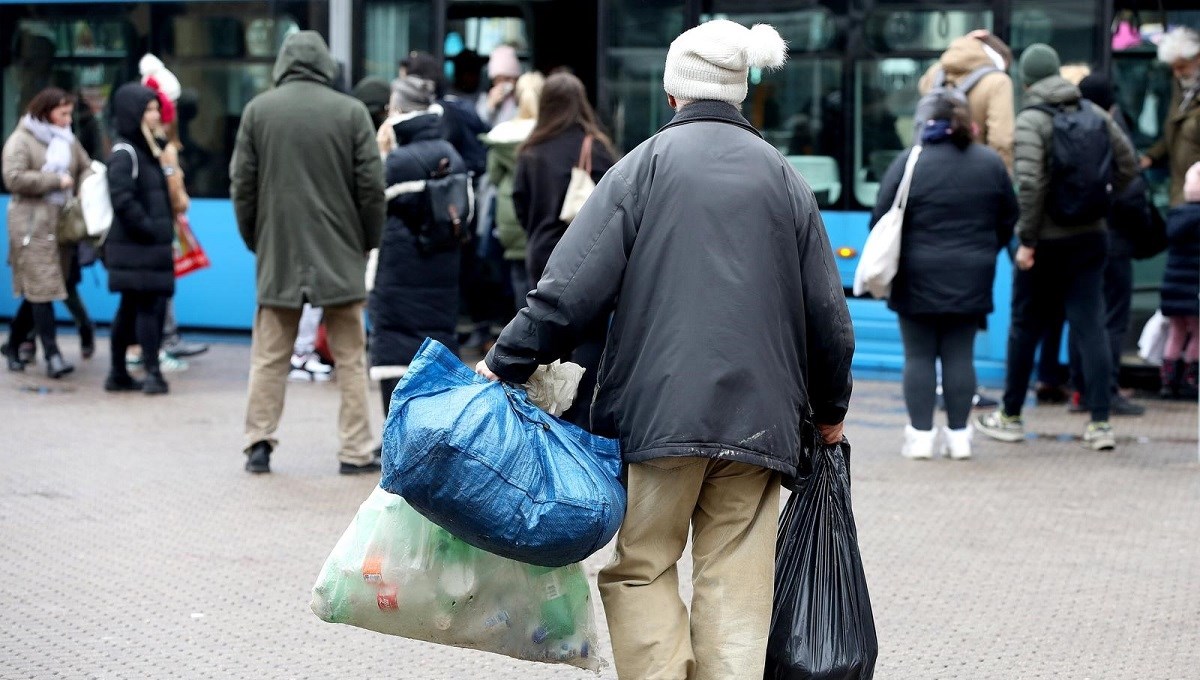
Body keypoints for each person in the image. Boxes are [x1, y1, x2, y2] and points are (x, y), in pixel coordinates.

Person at [477, 20, 854, 679]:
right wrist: (830, 410)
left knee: (641, 568)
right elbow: (828, 316)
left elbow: (567, 293)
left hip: (658, 420)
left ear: (672, 94)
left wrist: (502, 363)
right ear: (739, 94)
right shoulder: (785, 179)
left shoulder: (640, 169)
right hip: (762, 423)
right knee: (735, 580)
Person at [230, 31, 385, 475]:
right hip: (339, 251)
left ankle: (259, 443)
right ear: (325, 66)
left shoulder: (259, 110)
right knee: (351, 358)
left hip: (278, 250)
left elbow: (242, 186)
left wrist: (257, 241)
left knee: (269, 356)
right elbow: (371, 188)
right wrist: (365, 241)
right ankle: (354, 451)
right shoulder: (352, 112)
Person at [975, 44, 1137, 451]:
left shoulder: (1031, 120)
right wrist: (1099, 201)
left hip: (1045, 242)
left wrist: (1027, 241)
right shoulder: (1096, 115)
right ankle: (1100, 424)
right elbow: (1129, 165)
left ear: (1027, 80)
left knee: (1025, 327)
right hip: (1092, 237)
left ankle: (1010, 415)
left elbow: (1029, 185)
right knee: (1091, 326)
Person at [874, 91, 1016, 461]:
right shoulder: (989, 162)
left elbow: (881, 218)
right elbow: (1008, 219)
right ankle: (959, 438)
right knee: (960, 356)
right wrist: (983, 251)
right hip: (973, 274)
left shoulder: (911, 162)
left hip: (915, 274)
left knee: (918, 357)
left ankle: (920, 438)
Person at [511, 71, 616, 428]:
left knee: (543, 335)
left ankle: (542, 418)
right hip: (591, 259)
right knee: (588, 340)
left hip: (542, 254)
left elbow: (521, 207)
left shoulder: (531, 151)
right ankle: (582, 416)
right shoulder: (596, 146)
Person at [368, 73, 466, 415]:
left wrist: (383, 152)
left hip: (397, 275)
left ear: (397, 111)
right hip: (442, 273)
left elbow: (371, 209)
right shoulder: (452, 154)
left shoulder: (396, 162)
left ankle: (397, 434)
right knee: (436, 347)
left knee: (395, 354)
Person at [1064, 73, 1150, 416]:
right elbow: (1131, 190)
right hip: (1112, 240)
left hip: (1077, 237)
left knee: (1082, 315)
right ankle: (1106, 390)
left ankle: (1079, 389)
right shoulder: (1111, 130)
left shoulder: (1067, 127)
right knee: (1112, 319)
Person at [2, 86, 94, 378]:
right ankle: (52, 355)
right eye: (62, 113)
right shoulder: (21, 140)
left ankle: (13, 344)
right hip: (31, 226)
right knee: (41, 290)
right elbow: (13, 178)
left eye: (69, 113)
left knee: (42, 290)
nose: (68, 119)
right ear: (46, 111)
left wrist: (89, 182)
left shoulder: (68, 140)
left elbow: (85, 166)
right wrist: (55, 181)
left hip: (60, 226)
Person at [101, 84, 175, 395]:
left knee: (133, 306)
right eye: (148, 109)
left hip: (145, 245)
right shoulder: (125, 152)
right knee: (147, 306)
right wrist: (150, 228)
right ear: (133, 113)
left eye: (156, 108)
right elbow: (122, 198)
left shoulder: (150, 149)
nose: (156, 115)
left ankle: (118, 373)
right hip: (136, 245)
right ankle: (152, 373)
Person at [482, 71, 544, 309]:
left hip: (509, 212)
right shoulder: (549, 133)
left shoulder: (502, 134)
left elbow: (494, 177)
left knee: (519, 275)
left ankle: (522, 333)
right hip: (541, 210)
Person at [918, 30, 1015, 172]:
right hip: (974, 173)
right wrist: (1002, 179)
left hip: (930, 171)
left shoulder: (935, 74)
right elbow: (1001, 140)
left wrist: (964, 45)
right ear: (998, 60)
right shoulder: (998, 82)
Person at [1141, 27, 1200, 207]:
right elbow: (1175, 132)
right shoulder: (1180, 90)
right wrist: (1151, 156)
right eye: (1173, 68)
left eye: (1182, 67)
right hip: (1180, 190)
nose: (1177, 74)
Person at [1158, 162, 1200, 399]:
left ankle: (1167, 380)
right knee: (1198, 332)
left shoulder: (1176, 215)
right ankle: (1192, 378)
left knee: (1176, 332)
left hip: (1173, 287)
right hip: (1194, 288)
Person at [477, 45, 521, 128]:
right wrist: (490, 105)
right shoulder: (485, 98)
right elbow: (478, 123)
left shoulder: (521, 97)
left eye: (507, 78)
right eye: (498, 79)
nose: (503, 83)